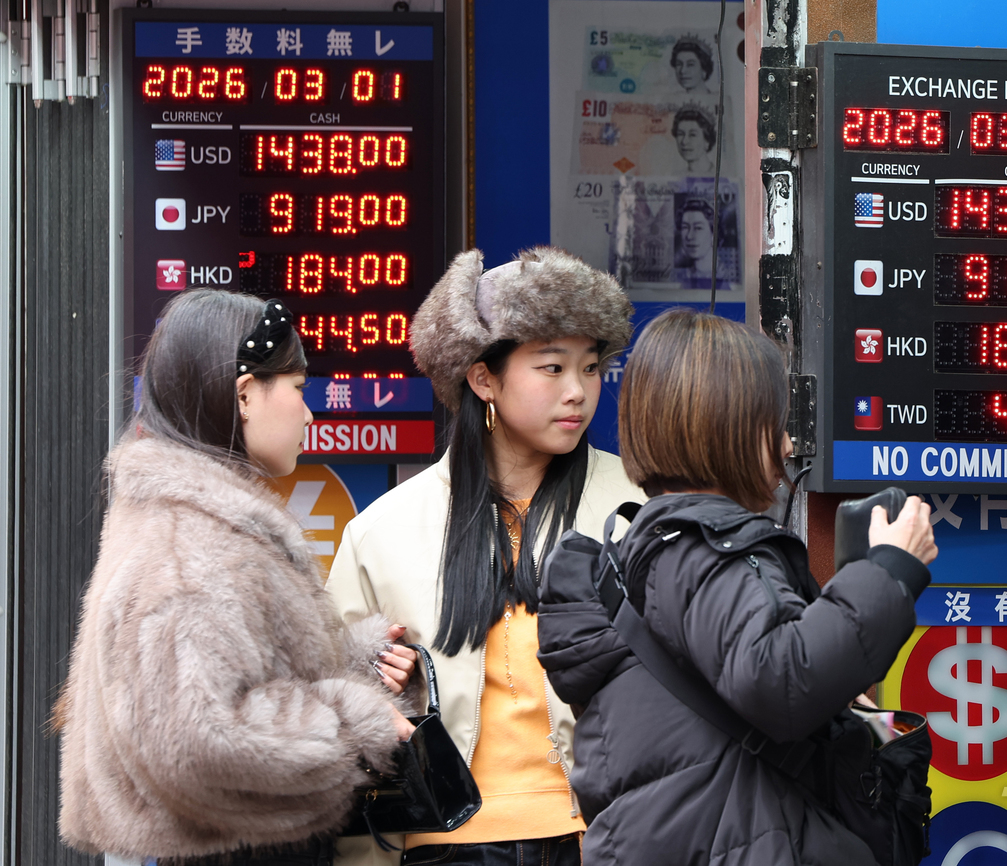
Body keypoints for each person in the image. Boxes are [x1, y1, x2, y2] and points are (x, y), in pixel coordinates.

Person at [536, 307, 939, 865]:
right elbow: (780, 680)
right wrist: (890, 569)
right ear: (728, 426)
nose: (789, 444)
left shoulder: (669, 549)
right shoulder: (702, 547)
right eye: (775, 421)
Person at [56, 290, 418, 866]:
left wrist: (357, 663)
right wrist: (360, 720)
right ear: (245, 395)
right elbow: (204, 737)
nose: (309, 412)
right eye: (298, 389)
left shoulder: (187, 524)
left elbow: (219, 688)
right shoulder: (191, 549)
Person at [327, 247, 641, 866]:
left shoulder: (636, 504)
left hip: (604, 834)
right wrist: (382, 686)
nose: (578, 391)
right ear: (483, 379)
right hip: (446, 844)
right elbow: (334, 712)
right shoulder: (383, 532)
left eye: (592, 367)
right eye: (552, 368)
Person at [672, 105, 717, 175]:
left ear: (707, 140)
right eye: (680, 134)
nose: (684, 141)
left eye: (692, 135)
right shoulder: (676, 176)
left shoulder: (720, 175)